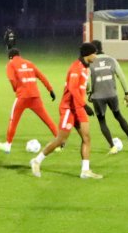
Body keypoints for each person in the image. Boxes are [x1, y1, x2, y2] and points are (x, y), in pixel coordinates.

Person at [31, 43, 103, 180]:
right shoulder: (75, 68)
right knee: (61, 139)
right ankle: (37, 160)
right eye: (95, 53)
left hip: (79, 108)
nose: (96, 56)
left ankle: (85, 170)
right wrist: (84, 104)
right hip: (69, 109)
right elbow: (72, 89)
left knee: (87, 137)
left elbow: (81, 87)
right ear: (88, 54)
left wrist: (86, 95)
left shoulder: (86, 68)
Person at [0, 48, 58, 153]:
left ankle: (8, 145)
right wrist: (50, 90)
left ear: (10, 57)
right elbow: (41, 76)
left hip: (22, 97)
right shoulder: (29, 63)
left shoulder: (11, 64)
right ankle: (60, 142)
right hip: (35, 96)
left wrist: (15, 89)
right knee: (47, 119)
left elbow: (12, 79)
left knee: (13, 120)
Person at [88, 40, 128, 153]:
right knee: (118, 115)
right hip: (112, 94)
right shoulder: (111, 60)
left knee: (102, 120)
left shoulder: (90, 62)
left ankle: (112, 146)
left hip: (98, 96)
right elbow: (121, 76)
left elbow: (87, 82)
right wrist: (127, 93)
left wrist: (89, 92)